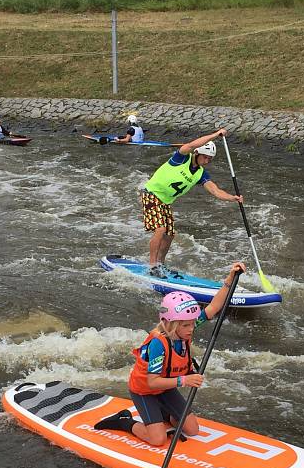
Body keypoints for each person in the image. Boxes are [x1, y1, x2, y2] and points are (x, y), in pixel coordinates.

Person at [94, 262, 246, 446]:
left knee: (192, 429)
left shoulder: (183, 327)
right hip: (145, 391)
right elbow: (152, 382)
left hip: (165, 388)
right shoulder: (158, 344)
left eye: (192, 323)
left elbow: (213, 308)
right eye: (186, 325)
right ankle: (124, 421)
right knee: (157, 440)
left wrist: (229, 280)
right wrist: (185, 380)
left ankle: (163, 414)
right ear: (169, 324)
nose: (192, 328)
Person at [141, 128, 243, 278]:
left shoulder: (201, 174)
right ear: (197, 153)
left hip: (165, 202)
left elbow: (215, 190)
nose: (207, 161)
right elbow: (192, 144)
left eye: (210, 159)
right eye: (206, 157)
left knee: (170, 235)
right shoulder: (181, 158)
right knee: (161, 229)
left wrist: (232, 198)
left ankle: (160, 265)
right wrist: (215, 135)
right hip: (151, 194)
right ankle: (152, 266)